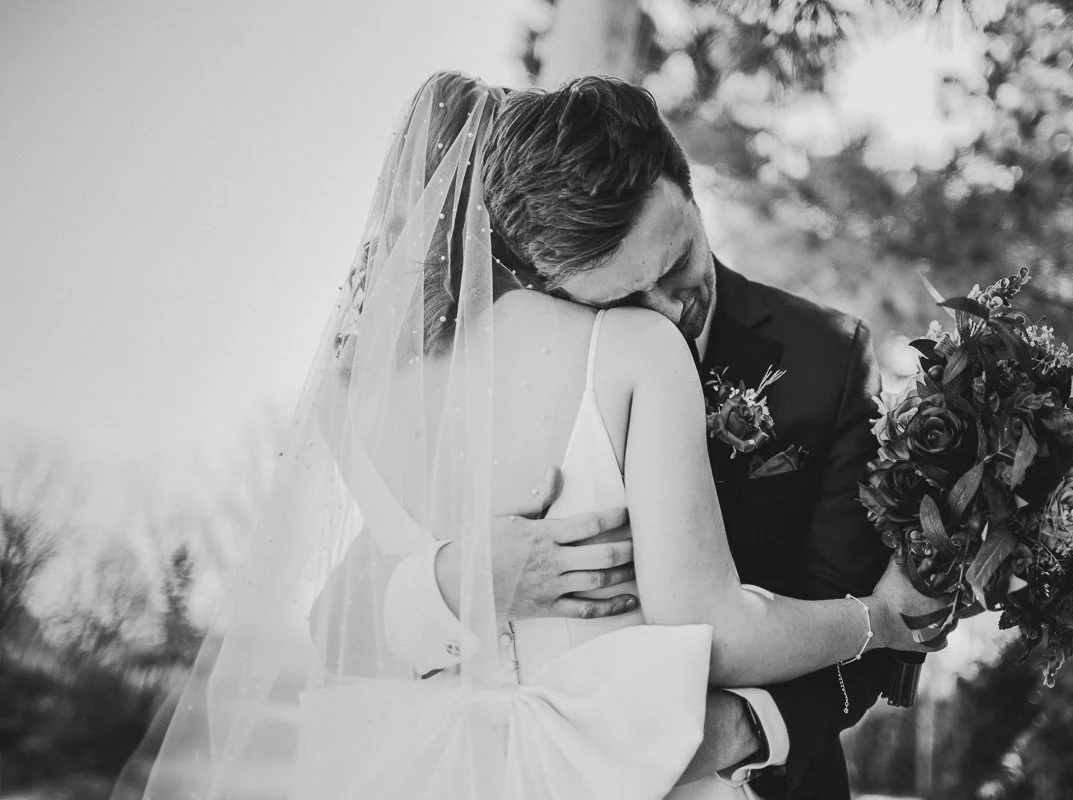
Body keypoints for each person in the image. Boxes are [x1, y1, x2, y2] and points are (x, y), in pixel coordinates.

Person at [115, 72, 942, 800]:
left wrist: (731, 730)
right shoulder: (608, 353)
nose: (667, 308)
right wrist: (465, 577)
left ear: (689, 190)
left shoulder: (824, 357)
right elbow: (343, 611)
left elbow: (843, 615)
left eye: (677, 261)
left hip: (707, 767)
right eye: (625, 292)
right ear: (538, 259)